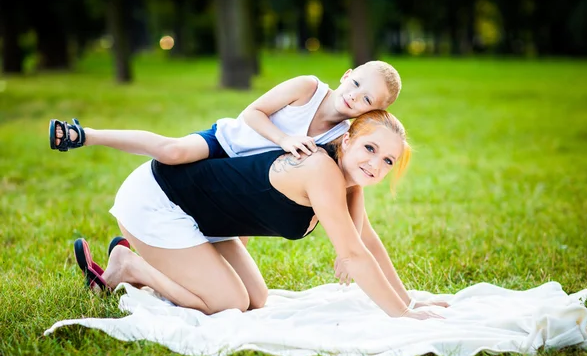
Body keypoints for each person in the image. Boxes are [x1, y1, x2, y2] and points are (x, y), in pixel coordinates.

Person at [71, 110, 446, 320]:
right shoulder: (319, 169)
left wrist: (408, 302)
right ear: (345, 140)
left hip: (204, 217)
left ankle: (137, 266)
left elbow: (367, 242)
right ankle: (130, 265)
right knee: (228, 303)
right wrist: (401, 317)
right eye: (369, 147)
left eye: (388, 160)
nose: (375, 163)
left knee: (256, 299)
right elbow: (351, 254)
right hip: (160, 199)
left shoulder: (351, 185)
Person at [49, 61, 401, 234]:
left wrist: (350, 241)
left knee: (236, 226)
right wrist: (284, 139)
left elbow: (352, 190)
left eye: (367, 98)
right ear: (346, 74)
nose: (355, 95)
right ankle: (88, 134)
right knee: (173, 152)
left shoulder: (345, 136)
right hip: (227, 142)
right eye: (355, 83)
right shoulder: (308, 88)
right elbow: (252, 112)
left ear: (375, 111)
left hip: (246, 178)